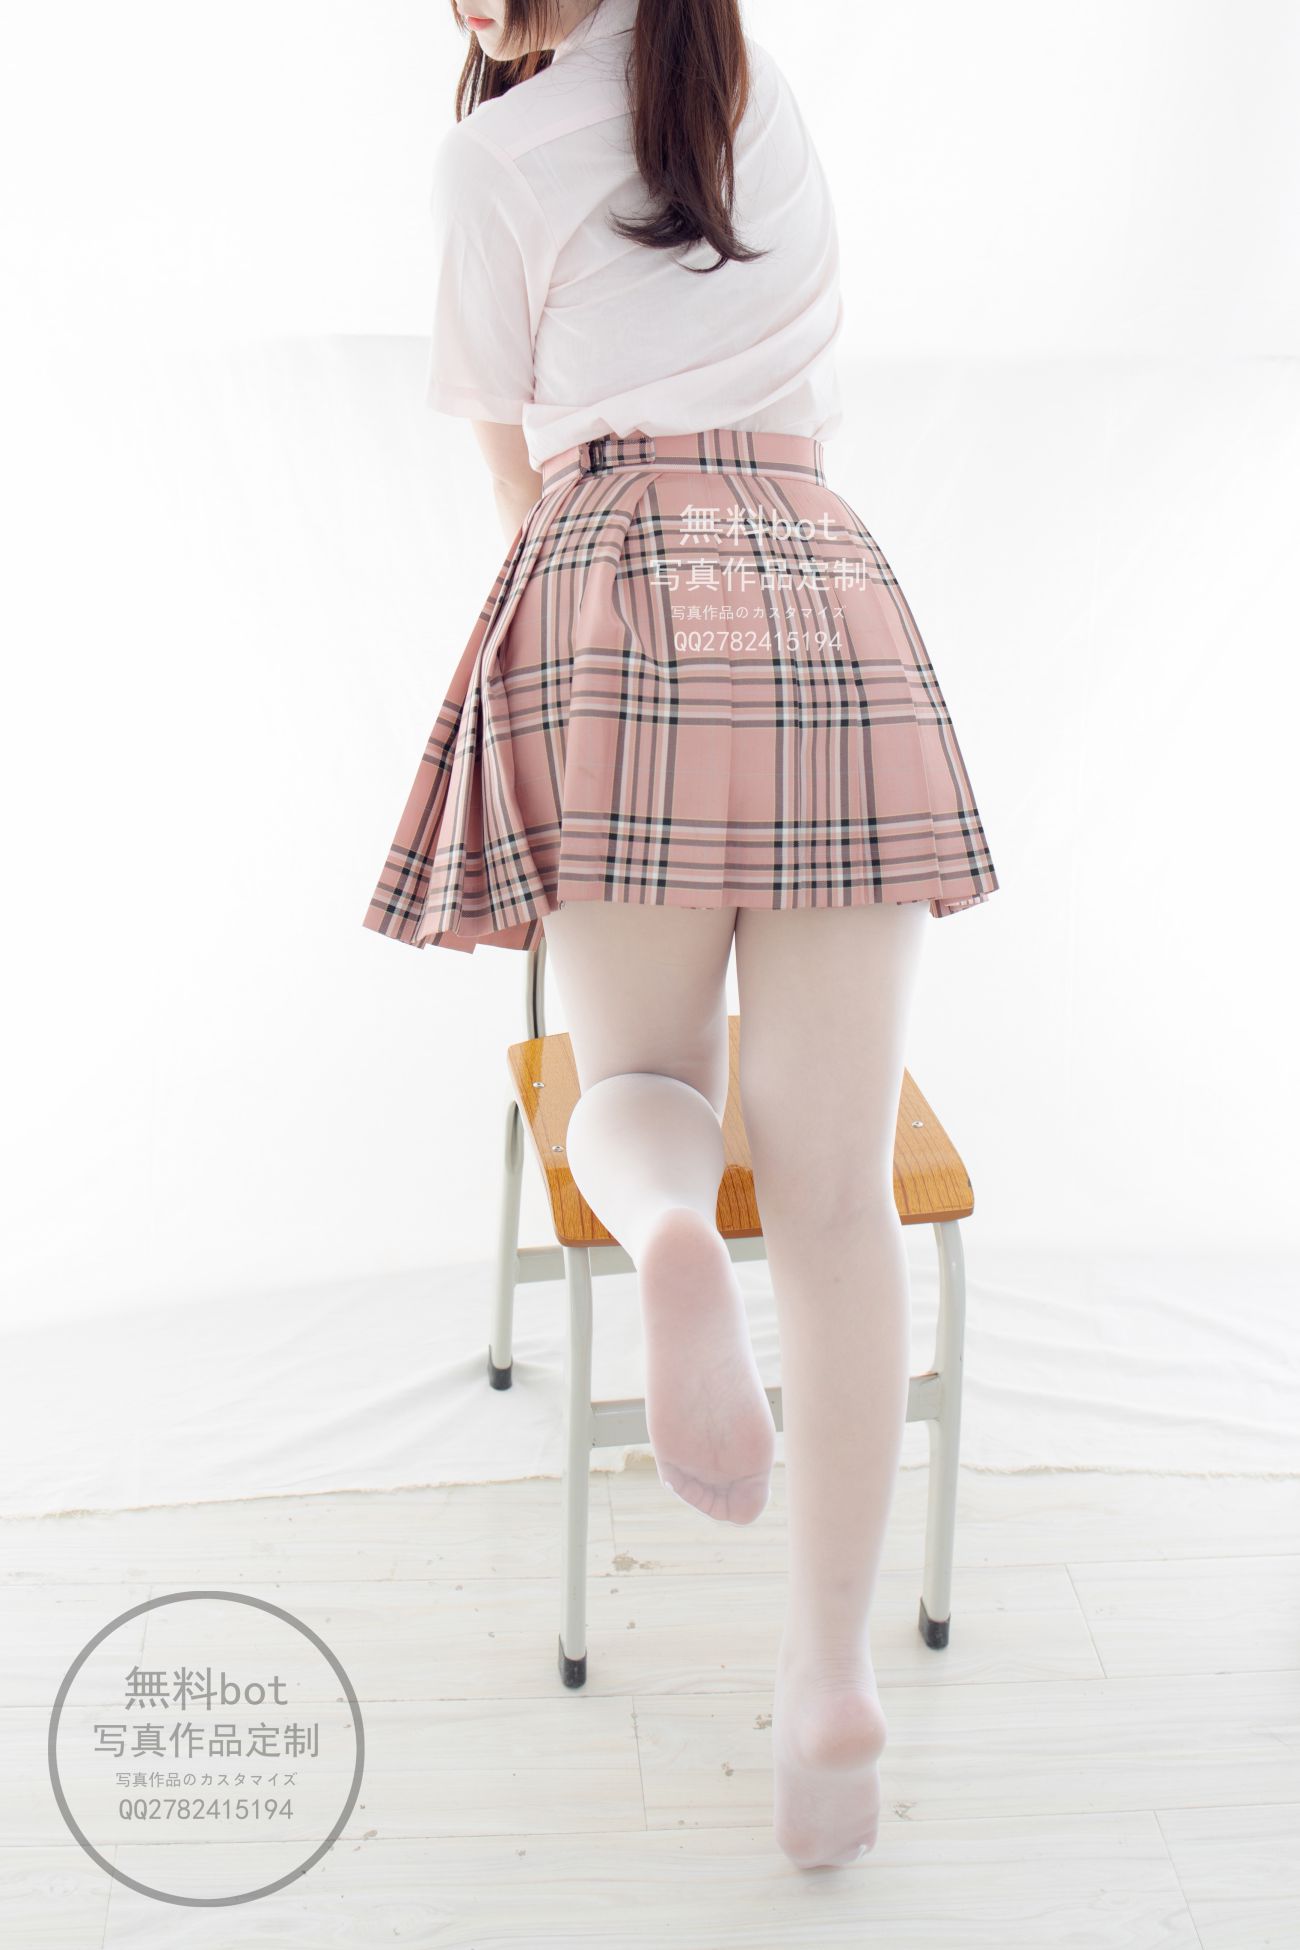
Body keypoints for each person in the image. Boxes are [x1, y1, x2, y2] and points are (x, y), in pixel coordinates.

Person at [363, 0, 1000, 1872]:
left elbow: (518, 477)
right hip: (825, 582)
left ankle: (663, 1240)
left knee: (634, 1082)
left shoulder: (490, 159)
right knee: (835, 1193)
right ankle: (828, 1675)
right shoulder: (736, 79)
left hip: (620, 577)